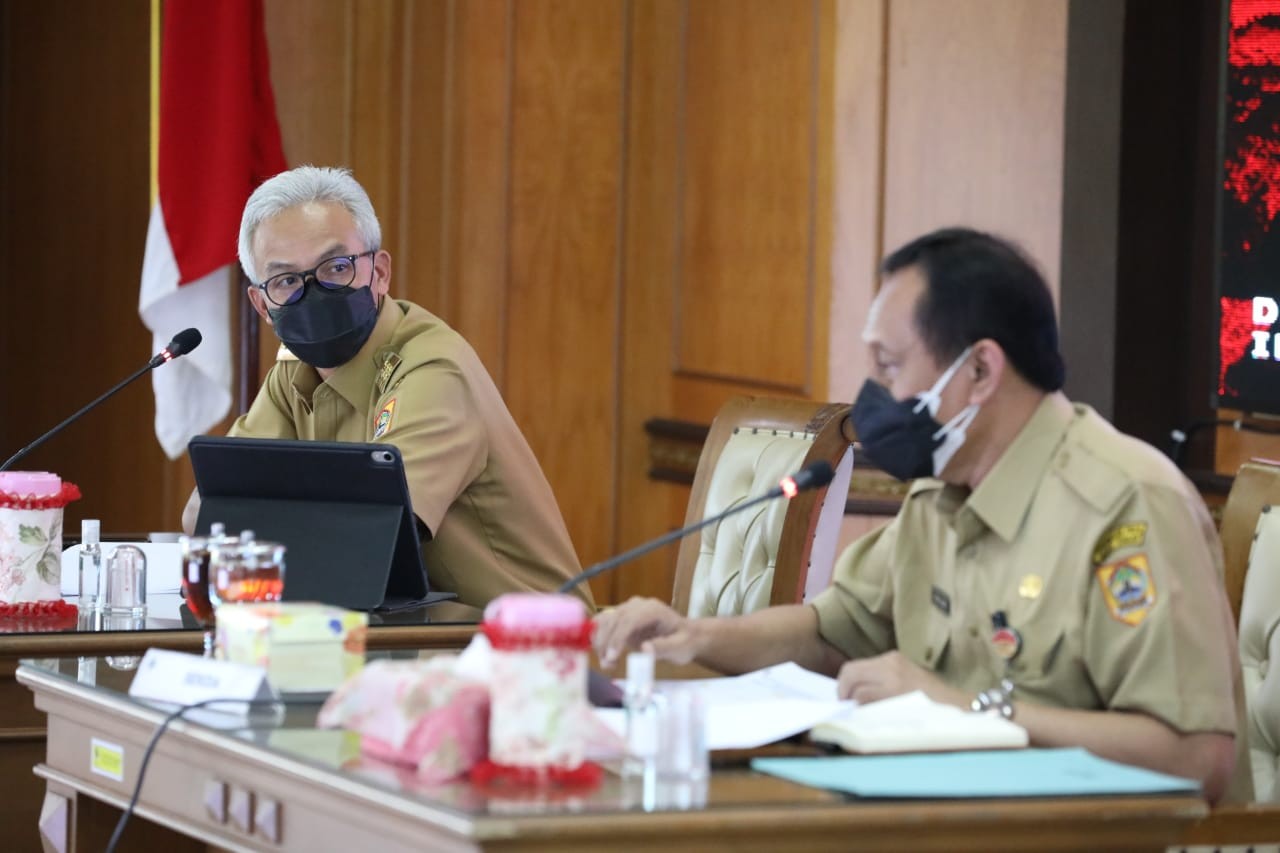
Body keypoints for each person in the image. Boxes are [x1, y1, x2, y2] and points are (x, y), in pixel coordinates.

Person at [594, 227, 1248, 802]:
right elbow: (833, 629)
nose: (873, 393)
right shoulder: (943, 491)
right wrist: (696, 636)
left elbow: (1197, 758)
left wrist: (968, 710)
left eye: (890, 364)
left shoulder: (1127, 504)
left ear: (981, 370)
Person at [182, 165, 591, 615]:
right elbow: (207, 513)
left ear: (379, 272)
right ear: (262, 304)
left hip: (516, 645)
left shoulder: (433, 369)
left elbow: (373, 546)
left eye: (336, 268)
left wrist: (268, 527)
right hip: (388, 632)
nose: (313, 293)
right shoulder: (295, 373)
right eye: (286, 281)